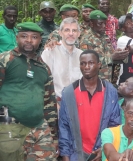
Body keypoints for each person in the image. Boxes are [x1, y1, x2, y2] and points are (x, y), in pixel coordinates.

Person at [0, 22, 57, 160]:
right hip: (9, 127)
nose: (29, 40)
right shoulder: (5, 59)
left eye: (34, 37)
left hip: (39, 127)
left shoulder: (44, 67)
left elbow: (50, 103)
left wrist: (54, 137)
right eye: (24, 36)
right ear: (17, 37)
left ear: (39, 40)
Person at [59, 50, 121, 161]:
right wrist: (65, 157)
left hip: (101, 152)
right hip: (76, 153)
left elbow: (115, 124)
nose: (86, 66)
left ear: (99, 65)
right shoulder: (69, 92)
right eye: (83, 63)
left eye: (91, 63)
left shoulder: (110, 91)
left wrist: (105, 148)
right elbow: (64, 127)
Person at [80, 10, 129, 81]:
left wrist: (121, 55)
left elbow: (111, 56)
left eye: (104, 23)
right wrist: (112, 57)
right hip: (93, 82)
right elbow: (88, 63)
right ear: (91, 24)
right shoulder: (86, 40)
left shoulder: (105, 37)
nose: (104, 26)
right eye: (100, 24)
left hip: (107, 80)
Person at [41, 18, 83, 102]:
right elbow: (42, 81)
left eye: (74, 30)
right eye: (67, 30)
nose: (71, 34)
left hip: (78, 103)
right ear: (60, 32)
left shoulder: (82, 55)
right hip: (55, 103)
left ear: (78, 34)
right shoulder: (50, 52)